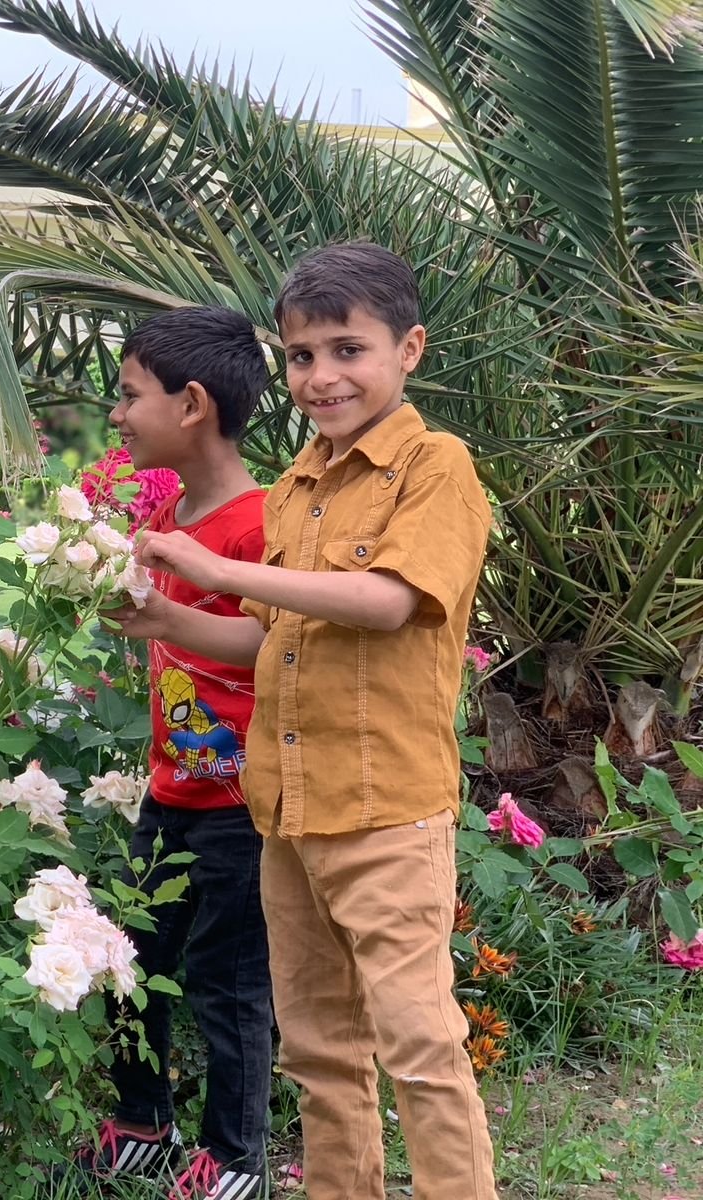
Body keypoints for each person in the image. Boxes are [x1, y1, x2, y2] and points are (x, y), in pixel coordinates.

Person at [132, 243, 498, 1199]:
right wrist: (165, 615)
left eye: (349, 350)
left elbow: (383, 602)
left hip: (386, 813)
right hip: (286, 815)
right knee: (319, 1051)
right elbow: (275, 644)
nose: (322, 377)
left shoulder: (435, 465)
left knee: (418, 1045)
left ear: (408, 349)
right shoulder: (295, 488)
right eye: (302, 356)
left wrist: (217, 571)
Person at [86, 306, 274, 1200]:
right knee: (131, 961)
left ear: (192, 402)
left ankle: (235, 1162)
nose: (116, 415)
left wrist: (165, 619)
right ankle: (142, 1125)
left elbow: (274, 651)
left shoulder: (255, 527)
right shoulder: (164, 509)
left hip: (240, 805)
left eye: (129, 396)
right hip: (170, 791)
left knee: (227, 986)